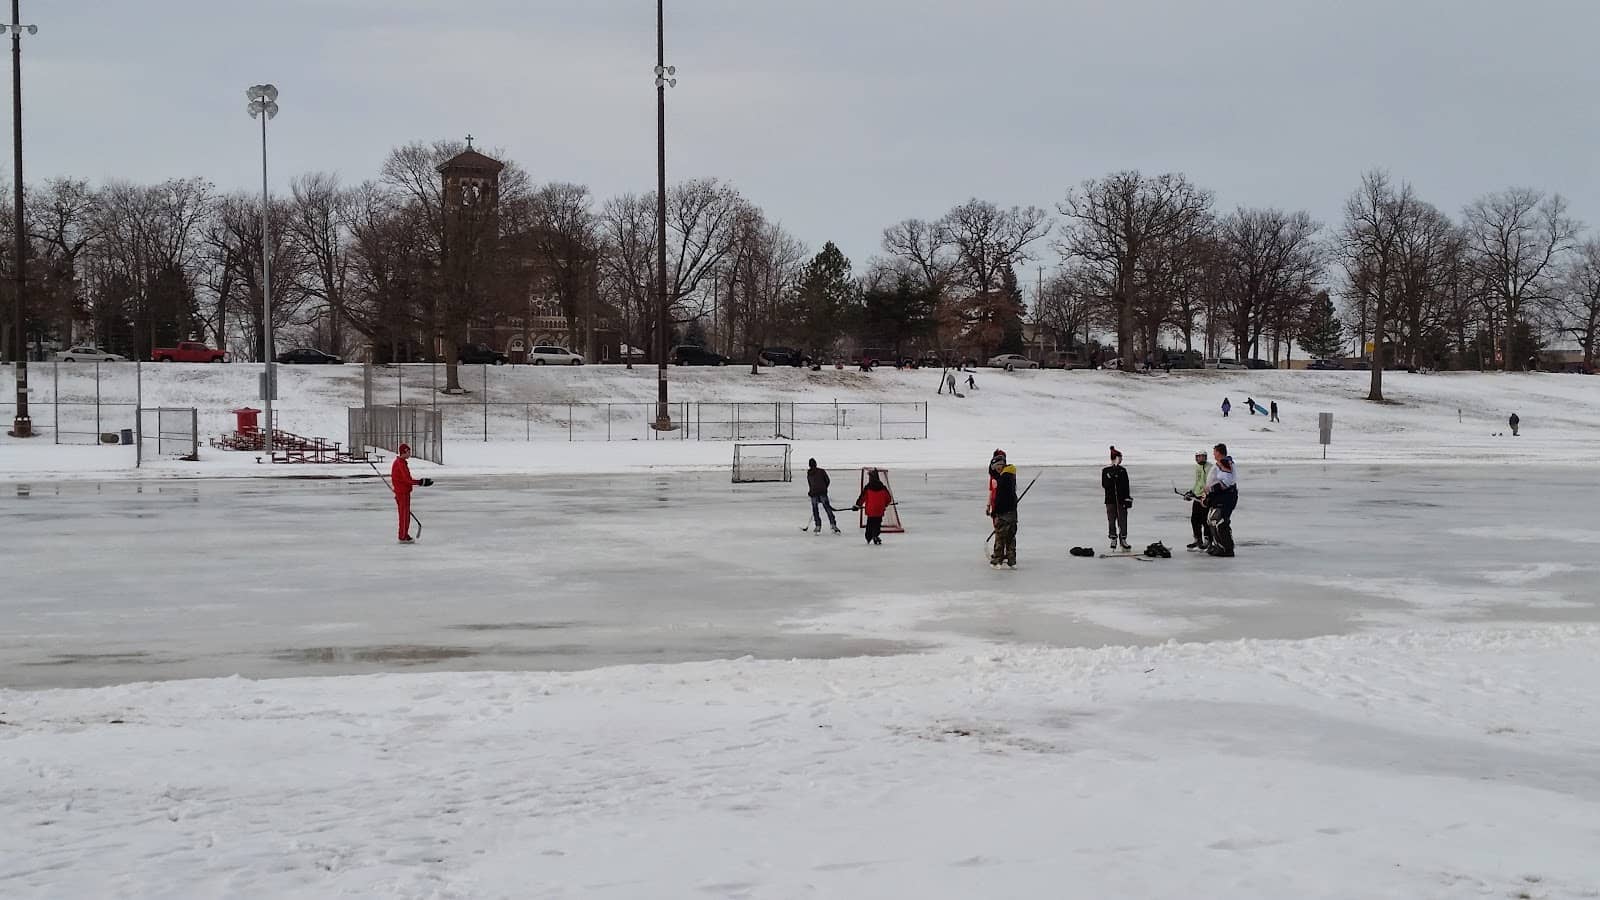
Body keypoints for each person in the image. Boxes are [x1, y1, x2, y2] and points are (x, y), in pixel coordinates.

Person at [390, 443, 433, 543]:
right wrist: (420, 482)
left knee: (405, 514)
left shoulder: (401, 462)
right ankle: (402, 536)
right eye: (408, 452)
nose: (410, 453)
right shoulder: (400, 463)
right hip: (402, 493)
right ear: (404, 452)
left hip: (402, 492)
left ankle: (404, 534)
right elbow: (407, 479)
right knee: (404, 515)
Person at [1204, 443, 1238, 557]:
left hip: (1226, 497)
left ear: (1219, 452)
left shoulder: (1224, 462)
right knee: (1212, 520)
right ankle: (1219, 545)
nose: (1213, 454)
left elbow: (1226, 482)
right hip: (1220, 496)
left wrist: (1212, 489)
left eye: (1214, 452)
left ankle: (1226, 548)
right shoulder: (1221, 463)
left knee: (1220, 521)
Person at [987, 450, 1019, 569]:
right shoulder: (1010, 474)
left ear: (1000, 466)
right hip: (1012, 513)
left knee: (1000, 537)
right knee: (1011, 537)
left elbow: (1000, 498)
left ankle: (997, 560)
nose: (995, 470)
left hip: (1003, 513)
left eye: (996, 467)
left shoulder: (1003, 479)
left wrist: (995, 511)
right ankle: (1011, 560)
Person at [1101, 446, 1132, 552]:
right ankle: (1113, 538)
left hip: (1122, 500)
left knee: (1123, 520)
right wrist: (1111, 478)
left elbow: (1126, 486)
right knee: (1111, 519)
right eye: (1120, 457)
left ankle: (1123, 539)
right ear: (1116, 458)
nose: (1122, 459)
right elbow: (1104, 485)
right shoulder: (1106, 471)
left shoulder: (1123, 471)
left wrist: (1128, 498)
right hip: (1110, 500)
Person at [853, 469, 894, 545]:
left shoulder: (868, 487)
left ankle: (869, 537)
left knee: (870, 523)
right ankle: (875, 535)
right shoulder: (883, 487)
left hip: (871, 510)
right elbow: (888, 498)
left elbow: (862, 498)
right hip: (880, 510)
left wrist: (857, 505)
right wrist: (884, 504)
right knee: (877, 523)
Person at [1183, 450, 1212, 551]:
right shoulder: (1197, 467)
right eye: (1198, 457)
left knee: (1205, 520)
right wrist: (1191, 492)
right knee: (1194, 519)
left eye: (1202, 457)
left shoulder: (1210, 468)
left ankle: (1208, 541)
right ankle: (1197, 540)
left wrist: (1206, 495)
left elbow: (1208, 483)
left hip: (1205, 498)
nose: (1200, 458)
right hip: (1197, 497)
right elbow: (1198, 482)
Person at [806, 458, 840, 534]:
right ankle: (833, 524)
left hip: (814, 493)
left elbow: (810, 484)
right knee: (828, 509)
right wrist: (824, 488)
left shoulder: (809, 473)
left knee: (815, 510)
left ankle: (818, 525)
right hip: (822, 492)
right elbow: (827, 480)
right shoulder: (821, 471)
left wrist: (811, 491)